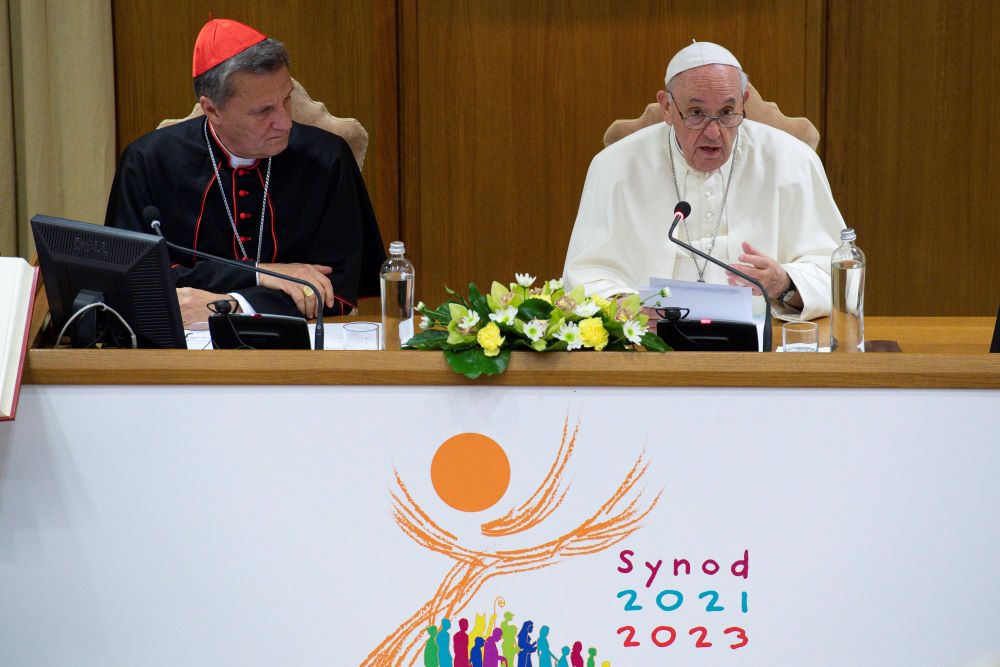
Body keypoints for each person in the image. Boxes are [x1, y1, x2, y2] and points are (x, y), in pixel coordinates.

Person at [105, 18, 385, 325]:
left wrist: (233, 304)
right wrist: (263, 275)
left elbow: (336, 294)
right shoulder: (147, 161)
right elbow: (134, 281)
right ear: (212, 110)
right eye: (264, 111)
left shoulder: (328, 158)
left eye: (286, 100)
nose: (285, 122)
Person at [563, 41, 845, 321]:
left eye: (726, 112)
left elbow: (834, 273)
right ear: (667, 108)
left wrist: (784, 284)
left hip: (760, 348)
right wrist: (626, 307)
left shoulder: (793, 160)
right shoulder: (615, 166)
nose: (713, 132)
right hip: (649, 346)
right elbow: (585, 276)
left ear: (743, 103)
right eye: (696, 113)